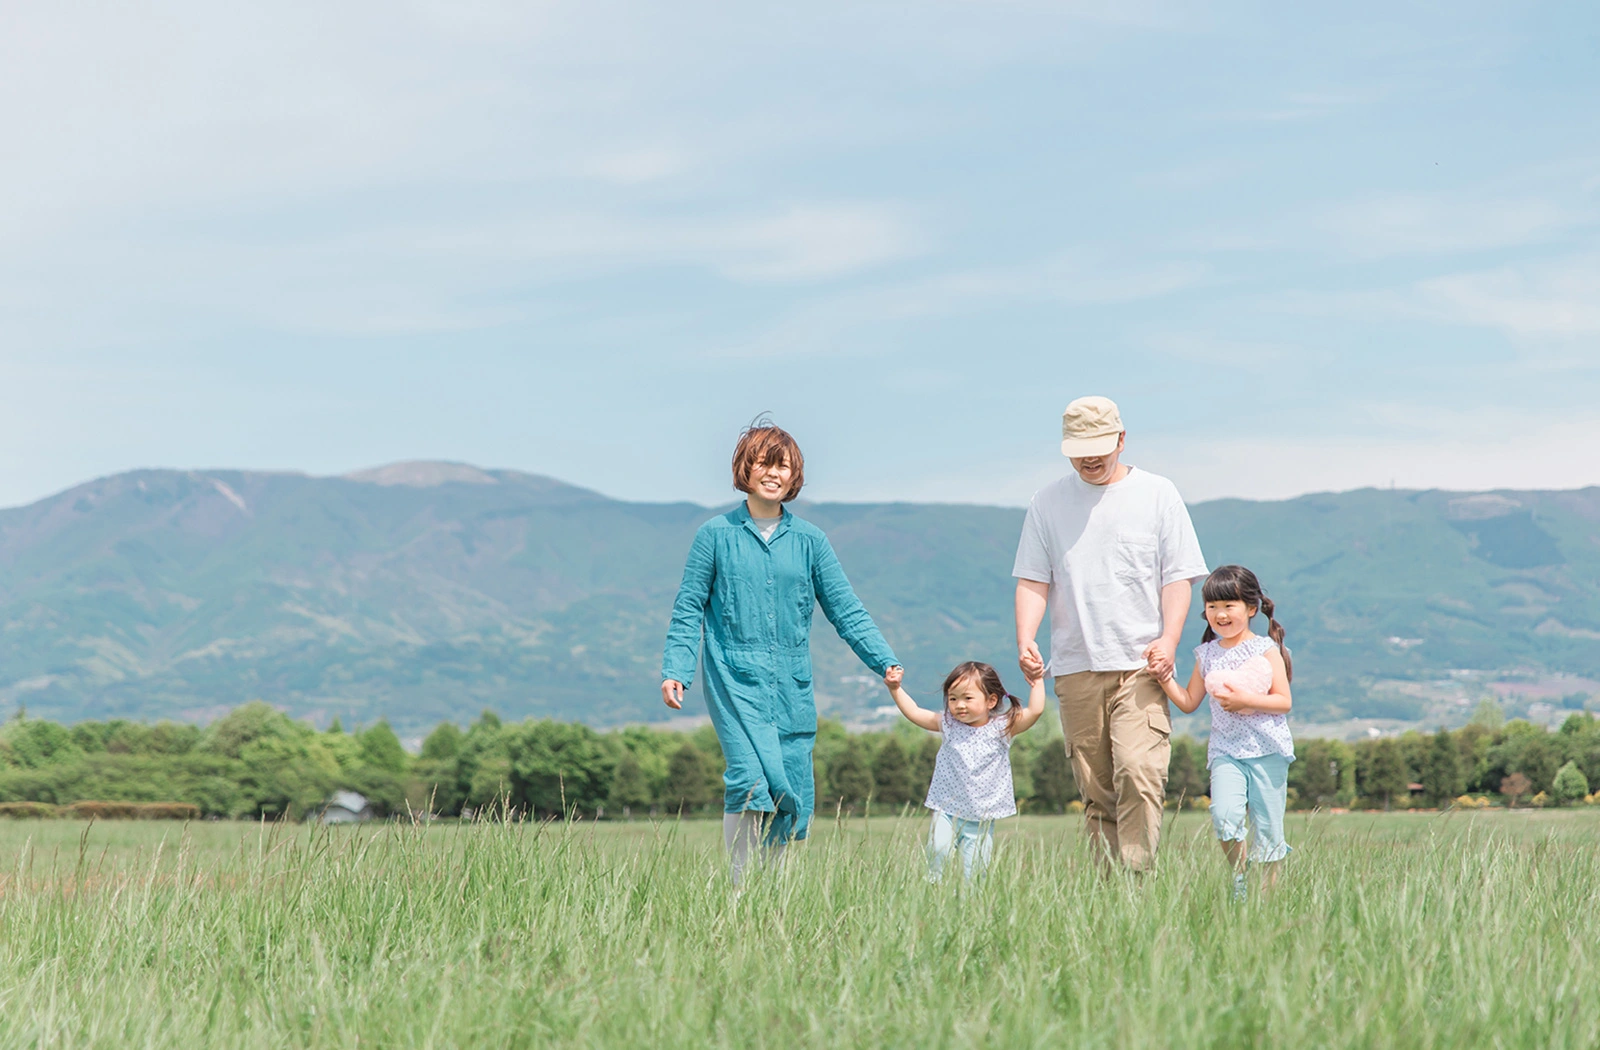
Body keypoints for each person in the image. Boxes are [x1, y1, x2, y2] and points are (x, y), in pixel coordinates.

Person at [661, 419, 901, 884]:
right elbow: (688, 606)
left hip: (791, 683)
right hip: (732, 677)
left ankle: (774, 893)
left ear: (795, 476)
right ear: (745, 469)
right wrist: (677, 669)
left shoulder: (811, 540)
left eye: (783, 466)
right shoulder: (715, 534)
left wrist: (883, 658)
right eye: (763, 463)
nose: (773, 473)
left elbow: (845, 608)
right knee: (748, 777)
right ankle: (738, 891)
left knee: (788, 785)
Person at [1013, 395, 1208, 871]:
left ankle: (1137, 881)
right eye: (1079, 450)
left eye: (1098, 447)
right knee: (1096, 791)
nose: (1090, 458)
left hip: (1142, 665)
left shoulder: (1157, 493)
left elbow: (1177, 578)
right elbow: (1034, 579)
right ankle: (1108, 891)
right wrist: (1025, 638)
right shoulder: (1047, 502)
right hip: (1075, 665)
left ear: (1121, 440)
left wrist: (1169, 640)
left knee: (1139, 772)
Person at [1153, 564, 1295, 902]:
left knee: (1268, 828)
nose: (1220, 614)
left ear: (1251, 608)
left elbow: (1283, 701)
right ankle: (1240, 878)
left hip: (1268, 750)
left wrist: (1246, 700)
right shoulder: (1206, 654)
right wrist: (1163, 679)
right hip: (1225, 751)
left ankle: (1266, 902)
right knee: (1224, 815)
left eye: (1229, 605)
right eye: (1212, 606)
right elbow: (1189, 702)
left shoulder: (1266, 650)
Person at [882, 661, 1046, 881]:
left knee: (975, 873)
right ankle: (935, 890)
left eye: (968, 698)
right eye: (953, 699)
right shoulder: (948, 724)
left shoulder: (1002, 728)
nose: (959, 705)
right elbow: (914, 712)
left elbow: (1035, 711)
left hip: (981, 816)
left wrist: (1037, 681)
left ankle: (970, 901)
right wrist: (895, 689)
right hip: (946, 809)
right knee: (938, 850)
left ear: (991, 701)